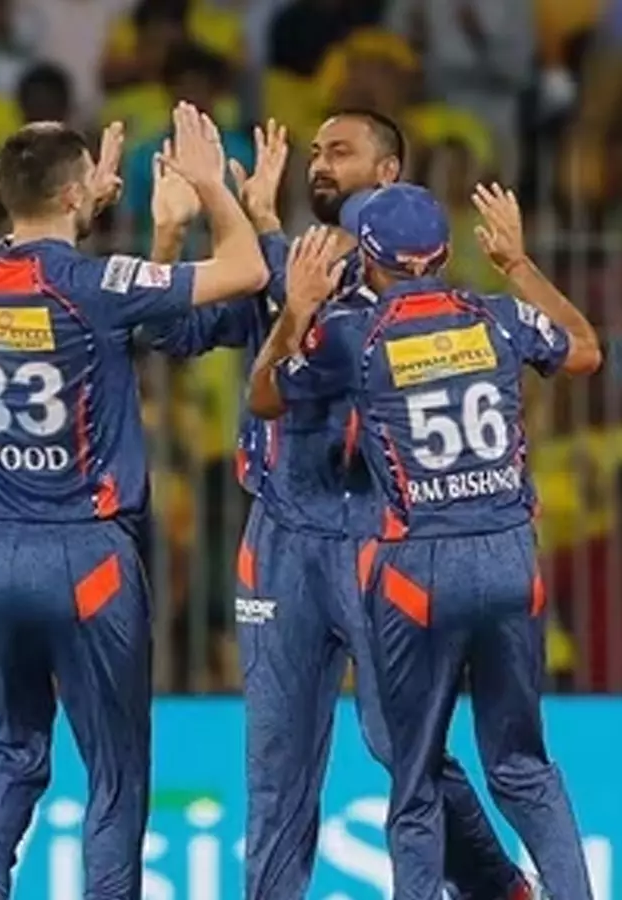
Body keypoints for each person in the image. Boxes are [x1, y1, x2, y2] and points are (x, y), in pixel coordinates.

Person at [144, 111, 529, 898]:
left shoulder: (416, 291)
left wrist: (253, 230)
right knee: (276, 764)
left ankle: (497, 889)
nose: (319, 164)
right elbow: (170, 334)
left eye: (340, 152)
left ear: (388, 175)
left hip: (377, 537)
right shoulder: (280, 264)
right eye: (315, 152)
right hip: (279, 538)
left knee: (405, 748)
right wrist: (172, 233)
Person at [0, 103, 269, 900]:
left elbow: (69, 286)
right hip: (85, 553)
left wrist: (92, 208)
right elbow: (246, 272)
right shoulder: (96, 286)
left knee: (15, 748)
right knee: (116, 772)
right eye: (89, 179)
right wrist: (208, 188)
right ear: (71, 195)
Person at [246, 183, 601, 900]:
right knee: (524, 769)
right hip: (509, 554)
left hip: (419, 570)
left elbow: (264, 396)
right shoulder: (499, 317)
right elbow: (586, 351)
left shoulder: (355, 336)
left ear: (369, 260)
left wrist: (297, 310)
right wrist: (518, 263)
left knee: (414, 781)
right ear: (443, 253)